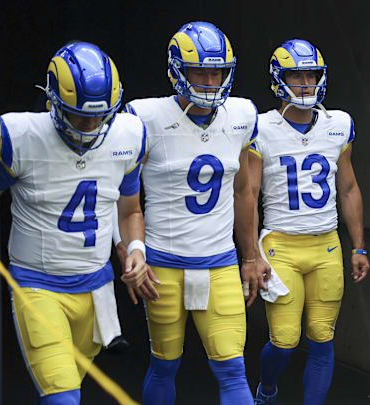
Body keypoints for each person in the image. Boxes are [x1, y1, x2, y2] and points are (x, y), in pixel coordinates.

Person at [0, 41, 156, 405]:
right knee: (63, 396)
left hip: (96, 288)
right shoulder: (19, 137)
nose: (91, 125)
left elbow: (129, 210)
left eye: (101, 115)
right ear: (52, 101)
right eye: (79, 115)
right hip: (38, 286)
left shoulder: (127, 135)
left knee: (65, 390)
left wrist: (135, 249)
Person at [120, 21, 267, 404]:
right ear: (176, 71)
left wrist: (251, 255)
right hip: (164, 264)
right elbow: (122, 200)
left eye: (216, 70)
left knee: (234, 369)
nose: (209, 80)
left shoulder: (241, 115)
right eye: (199, 70)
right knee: (164, 364)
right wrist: (130, 251)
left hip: (219, 262)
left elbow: (243, 191)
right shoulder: (143, 118)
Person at [248, 39, 370, 405]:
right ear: (278, 79)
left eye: (311, 75)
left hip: (327, 243)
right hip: (280, 244)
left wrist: (359, 245)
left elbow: (348, 187)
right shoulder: (259, 127)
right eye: (296, 75)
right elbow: (248, 195)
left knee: (322, 336)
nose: (305, 83)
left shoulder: (338, 124)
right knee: (284, 341)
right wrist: (252, 252)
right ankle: (267, 389)